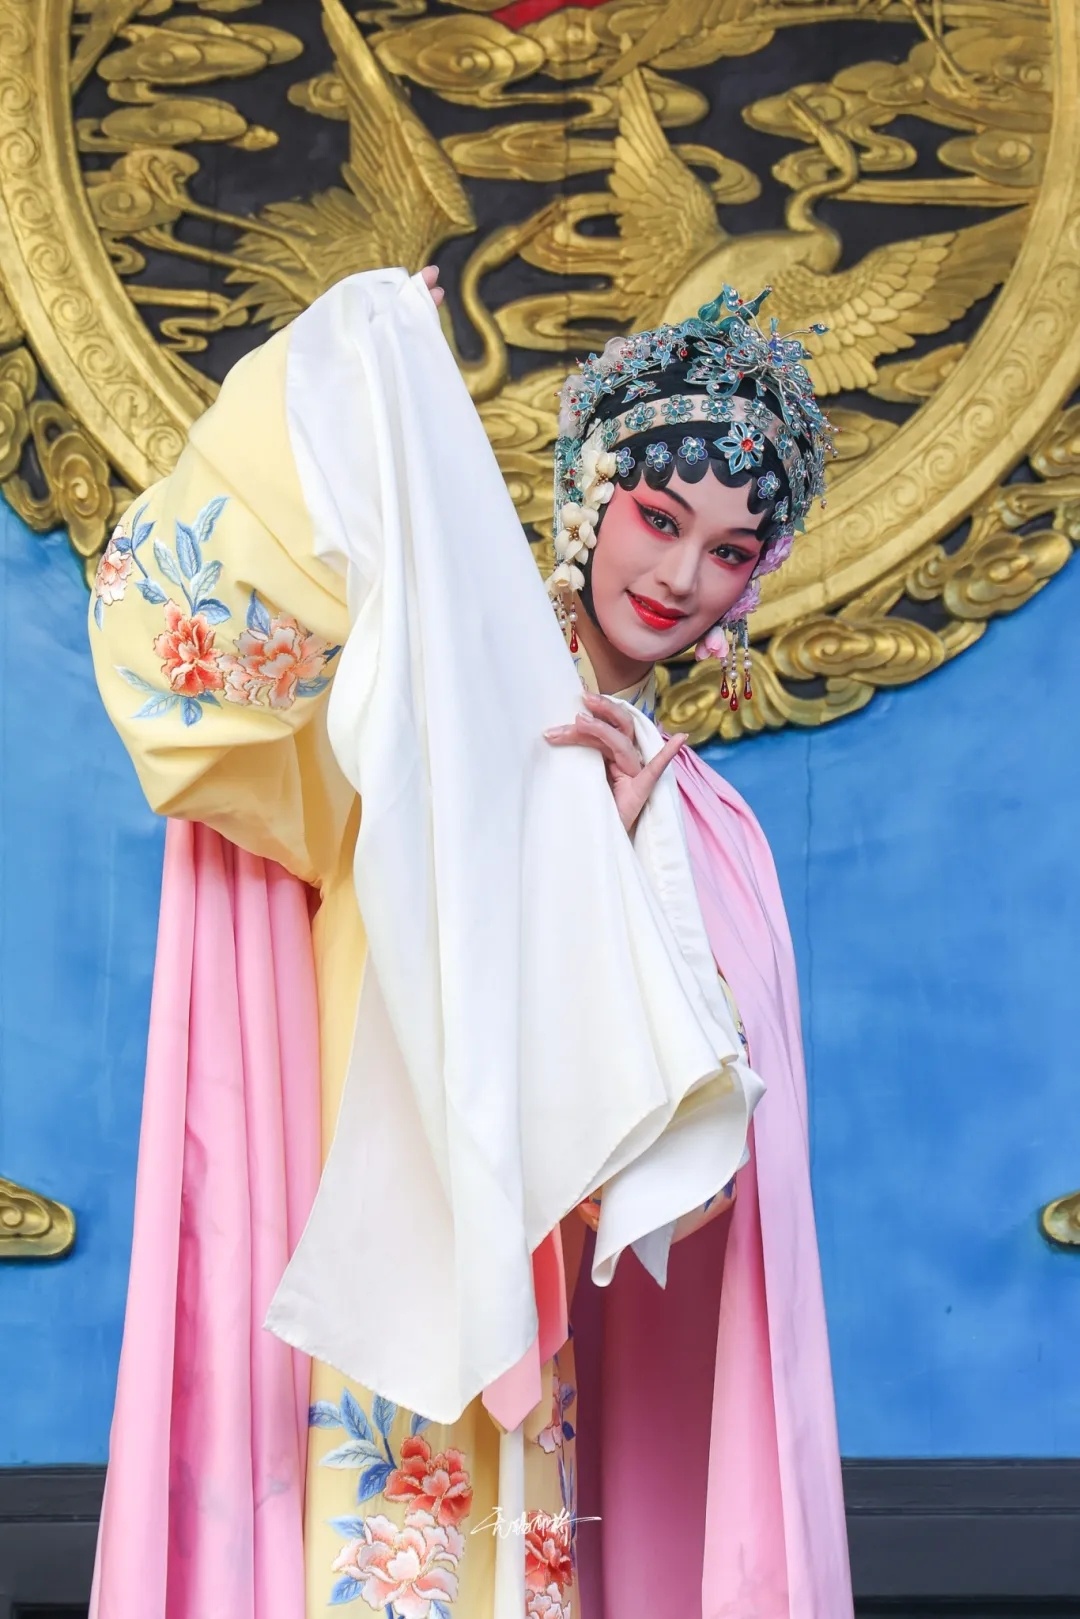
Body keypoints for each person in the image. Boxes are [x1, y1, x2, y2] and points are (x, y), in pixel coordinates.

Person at [88, 263, 852, 1619]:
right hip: (352, 1211)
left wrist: (628, 865)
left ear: (758, 578)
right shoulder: (421, 690)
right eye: (658, 517)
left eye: (731, 550)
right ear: (588, 497)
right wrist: (355, 371)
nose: (681, 576)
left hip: (521, 1290)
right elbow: (188, 661)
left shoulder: (702, 828)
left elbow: (689, 1194)